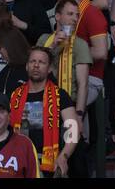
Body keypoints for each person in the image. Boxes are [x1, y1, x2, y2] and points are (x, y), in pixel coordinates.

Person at [10, 46, 80, 177]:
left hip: (49, 164)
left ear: (49, 69)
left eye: (41, 62)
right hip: (18, 160)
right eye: (32, 61)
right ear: (26, 66)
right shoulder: (15, 95)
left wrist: (64, 156)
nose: (36, 65)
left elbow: (73, 130)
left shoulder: (60, 95)